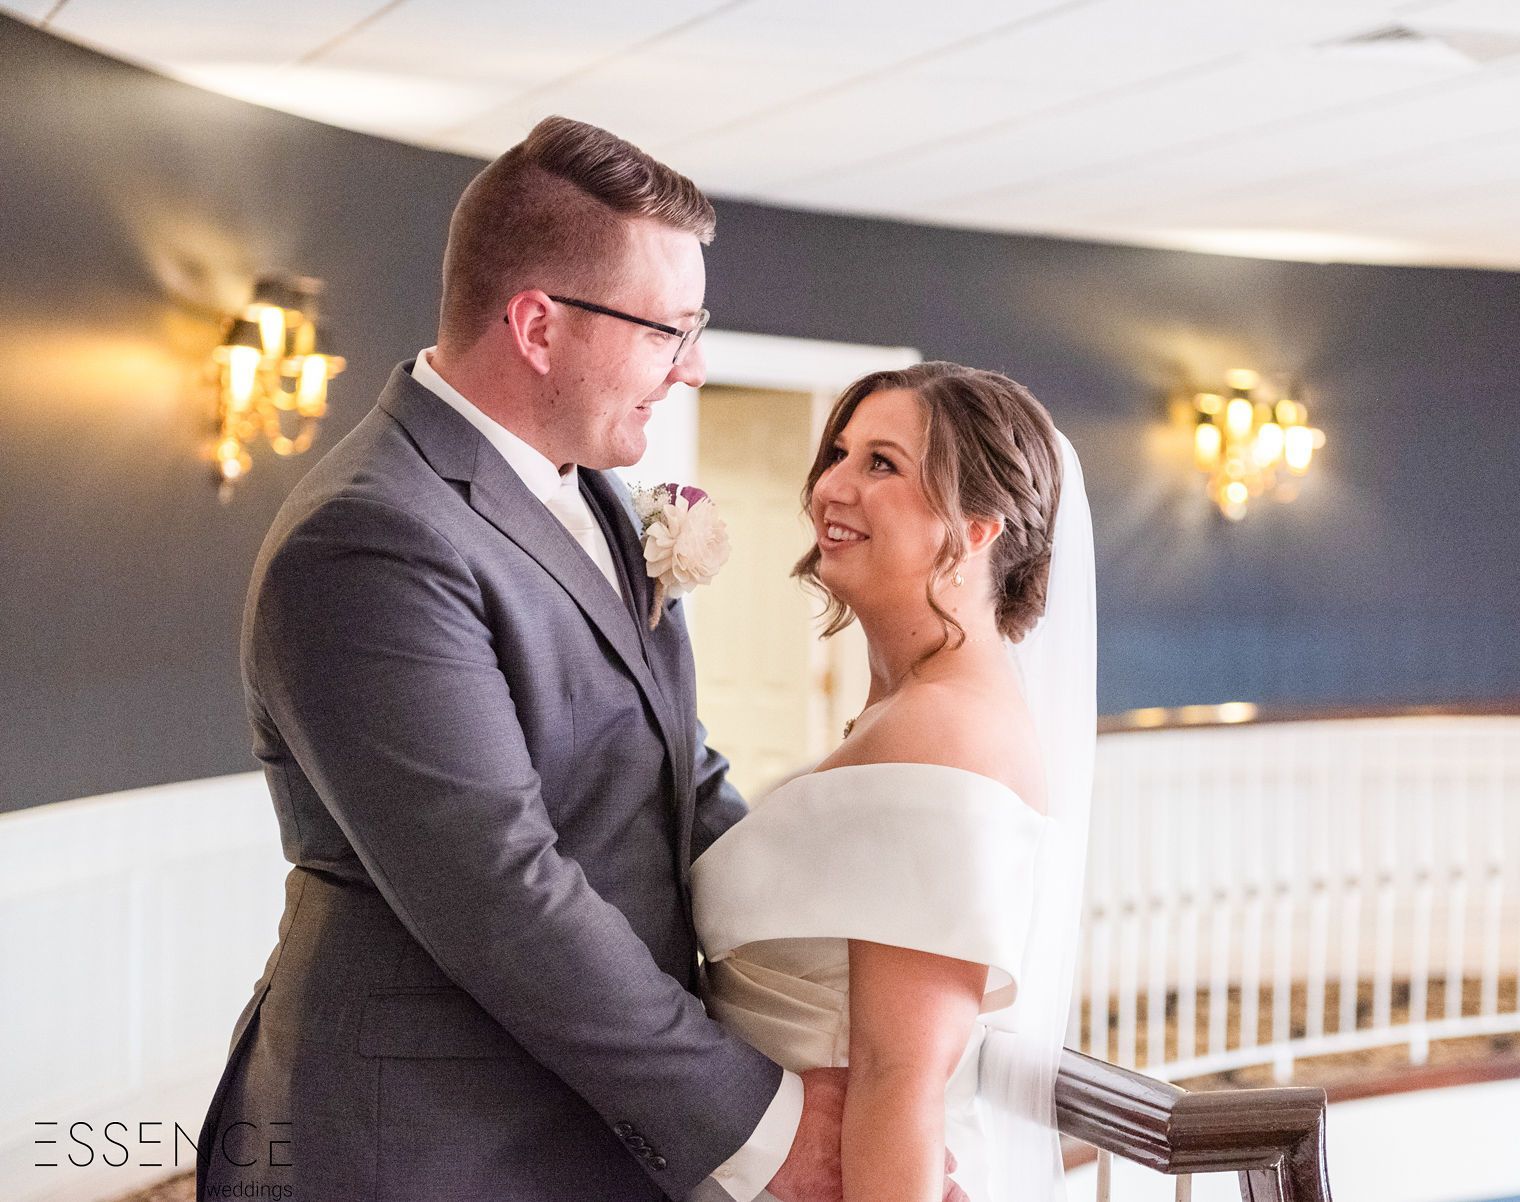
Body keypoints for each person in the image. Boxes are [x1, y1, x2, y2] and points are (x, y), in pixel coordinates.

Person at [193, 116, 953, 1202]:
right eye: (667, 331)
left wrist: (815, 971)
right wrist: (762, 1120)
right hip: (422, 1138)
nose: (690, 371)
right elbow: (502, 888)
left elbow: (673, 776)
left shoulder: (591, 490)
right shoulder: (370, 536)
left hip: (586, 1111)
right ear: (539, 325)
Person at [691, 362, 1098, 1202]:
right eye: (838, 453)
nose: (833, 485)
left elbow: (897, 1076)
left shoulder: (942, 731)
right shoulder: (906, 713)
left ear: (980, 527)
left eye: (882, 464)